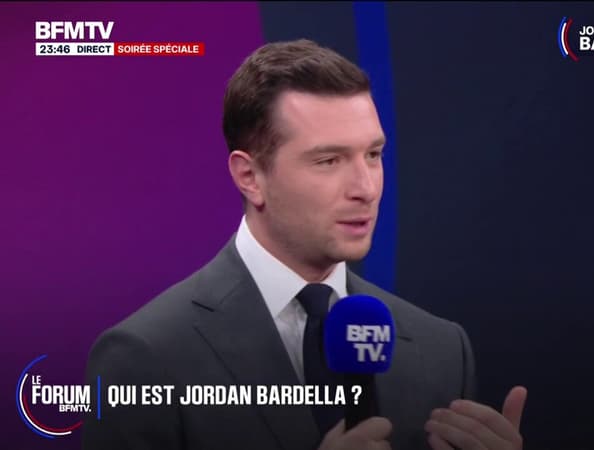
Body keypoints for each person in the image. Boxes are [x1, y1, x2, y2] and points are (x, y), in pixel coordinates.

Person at [82, 39, 527, 450]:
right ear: (250, 176)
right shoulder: (145, 356)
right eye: (329, 160)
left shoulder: (442, 350)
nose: (366, 188)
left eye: (373, 155)